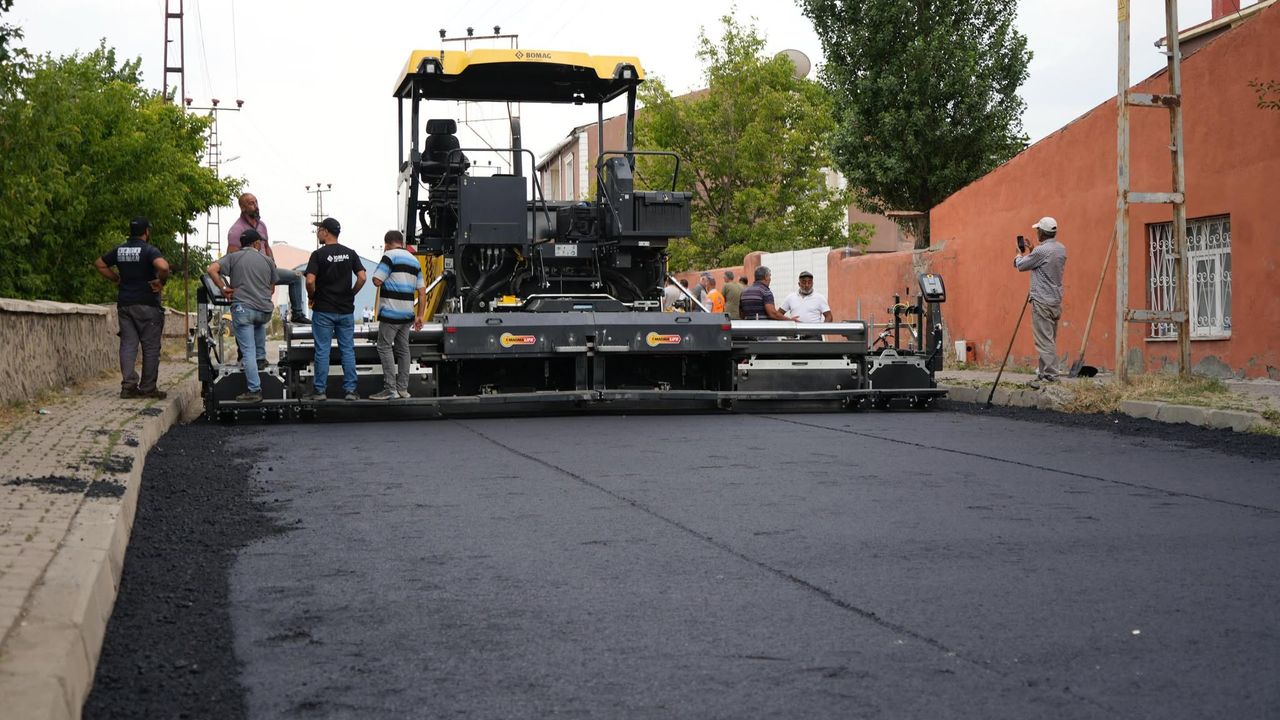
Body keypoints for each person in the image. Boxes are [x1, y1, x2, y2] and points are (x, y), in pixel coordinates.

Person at [94, 217, 170, 399]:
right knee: (150, 347)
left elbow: (100, 264)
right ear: (147, 232)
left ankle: (128, 386)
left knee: (128, 345)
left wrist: (116, 279)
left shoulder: (120, 250)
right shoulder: (148, 250)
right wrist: (161, 282)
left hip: (125, 304)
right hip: (147, 304)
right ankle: (148, 388)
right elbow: (164, 266)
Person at [207, 228, 276, 403]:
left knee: (247, 351)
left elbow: (211, 269)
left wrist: (223, 288)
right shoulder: (267, 261)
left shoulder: (233, 257)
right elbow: (272, 287)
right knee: (259, 328)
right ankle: (261, 360)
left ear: (242, 244)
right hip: (264, 310)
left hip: (243, 309)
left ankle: (254, 389)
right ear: (256, 244)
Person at [303, 218, 366, 401]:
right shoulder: (350, 253)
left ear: (326, 231)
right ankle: (351, 391)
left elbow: (309, 280)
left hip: (323, 309)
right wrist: (351, 293)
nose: (317, 233)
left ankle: (320, 391)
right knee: (347, 350)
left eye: (319, 230)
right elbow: (362, 277)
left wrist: (312, 295)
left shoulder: (318, 254)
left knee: (322, 350)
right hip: (345, 310)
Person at [226, 192, 310, 324]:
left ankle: (297, 314)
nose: (256, 206)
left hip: (266, 271)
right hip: (250, 277)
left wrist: (273, 269)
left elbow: (267, 247)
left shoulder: (262, 225)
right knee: (248, 320)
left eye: (256, 202)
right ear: (242, 208)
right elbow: (232, 258)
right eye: (251, 203)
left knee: (296, 276)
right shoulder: (236, 230)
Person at [370, 230, 426, 400]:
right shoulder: (414, 260)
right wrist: (420, 316)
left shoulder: (389, 256)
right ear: (401, 242)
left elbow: (377, 280)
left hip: (391, 313)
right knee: (403, 349)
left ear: (387, 243)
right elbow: (422, 292)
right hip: (407, 314)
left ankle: (390, 389)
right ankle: (403, 389)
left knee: (384, 347)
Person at [1015, 216, 1068, 389]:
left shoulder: (1041, 251)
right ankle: (1043, 372)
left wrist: (1019, 254)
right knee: (1049, 338)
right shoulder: (1061, 249)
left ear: (1042, 233)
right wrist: (1033, 251)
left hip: (1042, 301)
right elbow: (1043, 262)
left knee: (1044, 340)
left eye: (1038, 229)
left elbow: (1021, 265)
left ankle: (1052, 375)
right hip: (1055, 300)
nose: (1036, 232)